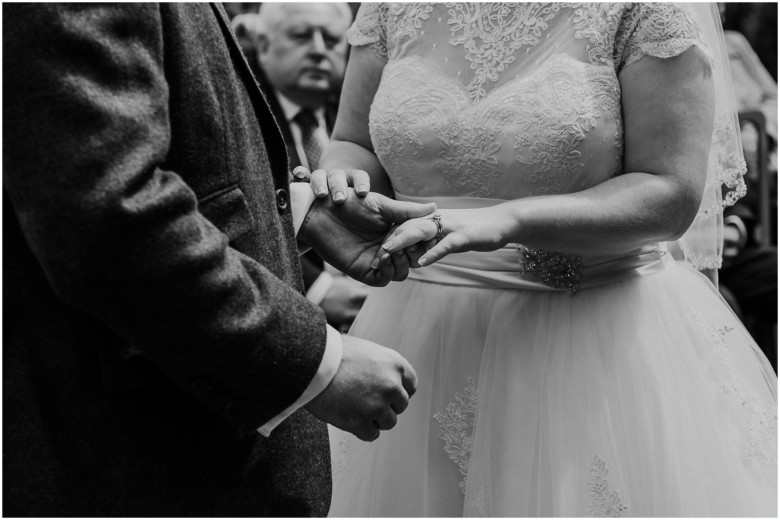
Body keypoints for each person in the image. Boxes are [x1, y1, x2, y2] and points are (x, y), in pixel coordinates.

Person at [300, 3, 778, 516]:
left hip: (591, 338)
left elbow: (670, 192)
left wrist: (508, 221)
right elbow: (352, 141)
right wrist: (346, 178)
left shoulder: (647, 7)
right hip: (415, 328)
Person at [3, 3, 435, 516]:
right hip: (146, 461)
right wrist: (312, 362)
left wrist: (300, 214)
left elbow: (183, 156)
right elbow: (107, 219)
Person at [237, 3, 371, 332]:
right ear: (264, 45)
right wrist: (317, 290)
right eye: (300, 35)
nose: (318, 50)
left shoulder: (360, 119)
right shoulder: (243, 116)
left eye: (330, 38)